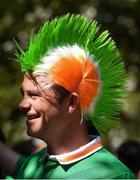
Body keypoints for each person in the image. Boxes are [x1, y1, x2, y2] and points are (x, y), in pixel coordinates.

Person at [1, 14, 135, 179]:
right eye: (23, 94)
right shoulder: (35, 164)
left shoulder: (112, 175)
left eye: (34, 95)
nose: (22, 105)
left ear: (72, 102)